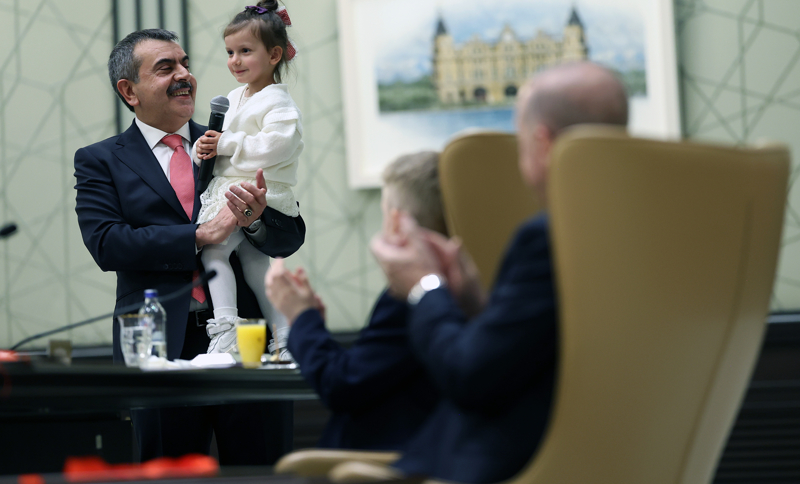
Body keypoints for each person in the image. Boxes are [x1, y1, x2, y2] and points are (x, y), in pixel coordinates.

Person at [369, 62, 629, 483]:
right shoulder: (633, 236)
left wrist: (423, 286)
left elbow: (469, 377)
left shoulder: (546, 239)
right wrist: (475, 302)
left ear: (541, 143)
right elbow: (538, 353)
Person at [74, 28, 305, 464]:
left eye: (185, 64)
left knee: (262, 469)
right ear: (129, 91)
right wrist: (200, 235)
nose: (184, 75)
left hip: (250, 337)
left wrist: (255, 221)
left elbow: (291, 235)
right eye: (166, 68)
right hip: (158, 344)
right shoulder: (100, 159)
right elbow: (106, 243)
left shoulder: (229, 140)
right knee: (169, 471)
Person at [264, 152, 444, 450]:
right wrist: (313, 326)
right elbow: (367, 372)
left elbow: (340, 386)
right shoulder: (460, 285)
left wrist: (301, 319)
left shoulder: (411, 297)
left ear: (396, 222)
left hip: (373, 463)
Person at [192, 0, 303, 355]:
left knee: (214, 251)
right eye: (229, 52)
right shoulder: (235, 96)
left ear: (274, 55)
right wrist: (203, 149)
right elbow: (223, 147)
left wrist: (226, 143)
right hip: (234, 186)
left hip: (257, 190)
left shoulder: (279, 102)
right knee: (255, 264)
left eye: (245, 51)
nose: (235, 61)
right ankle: (285, 336)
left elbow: (276, 146)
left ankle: (226, 328)